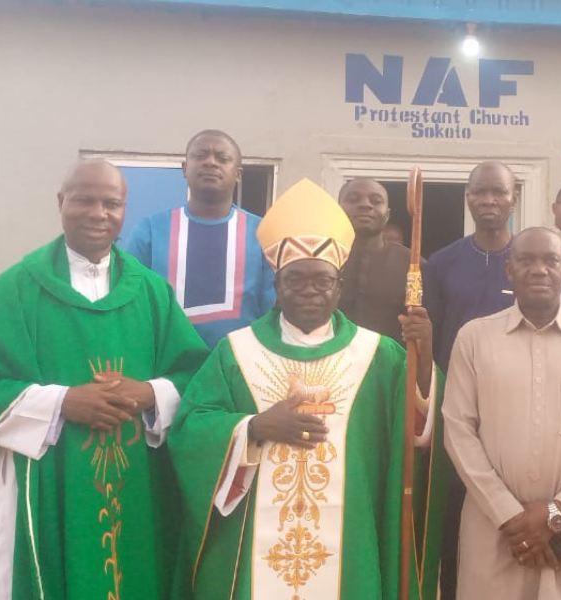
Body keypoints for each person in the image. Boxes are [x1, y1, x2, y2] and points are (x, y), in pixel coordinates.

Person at [168, 179, 447, 600]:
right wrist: (254, 426)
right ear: (277, 287)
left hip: (350, 537)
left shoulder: (378, 356)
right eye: (296, 280)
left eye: (322, 281)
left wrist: (423, 359)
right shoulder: (236, 352)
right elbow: (191, 429)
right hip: (256, 544)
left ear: (338, 288)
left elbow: (418, 431)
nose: (309, 292)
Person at [0, 160, 209, 599]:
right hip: (49, 475)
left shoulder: (150, 292)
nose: (98, 213)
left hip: (140, 481)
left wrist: (148, 393)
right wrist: (63, 402)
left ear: (125, 209)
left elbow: (196, 377)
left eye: (112, 203)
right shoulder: (17, 289)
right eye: (84, 199)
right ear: (61, 202)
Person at [443, 227, 561, 599]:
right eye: (526, 261)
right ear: (509, 271)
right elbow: (458, 430)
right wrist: (509, 515)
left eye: (550, 260)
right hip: (494, 529)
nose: (539, 270)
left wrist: (559, 511)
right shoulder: (474, 339)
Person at [422, 160, 518, 599]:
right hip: (458, 409)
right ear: (468, 198)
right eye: (480, 192)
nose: (489, 200)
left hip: (518, 403)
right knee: (456, 518)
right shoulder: (442, 264)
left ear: (514, 197)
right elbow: (432, 340)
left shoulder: (531, 260)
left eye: (498, 192)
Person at [125, 129, 275, 348]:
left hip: (239, 369)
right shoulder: (149, 231)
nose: (210, 163)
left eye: (222, 158)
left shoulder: (264, 234)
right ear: (185, 169)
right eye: (200, 156)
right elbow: (132, 306)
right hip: (166, 371)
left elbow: (271, 315)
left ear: (239, 173)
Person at [337, 177, 413, 342]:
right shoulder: (320, 259)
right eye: (353, 199)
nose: (365, 205)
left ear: (387, 214)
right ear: (337, 209)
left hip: (390, 363)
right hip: (329, 364)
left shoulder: (413, 265)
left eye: (376, 201)